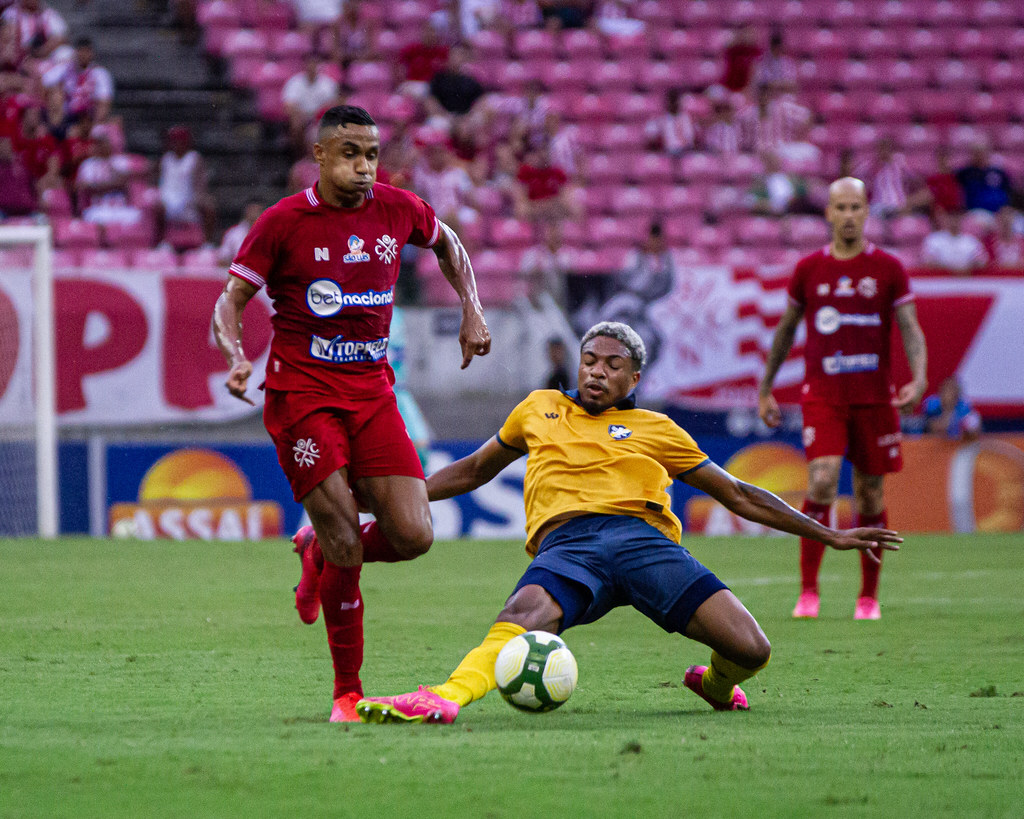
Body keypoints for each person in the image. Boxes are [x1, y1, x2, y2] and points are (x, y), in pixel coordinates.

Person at [353, 322, 901, 724]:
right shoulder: (538, 408)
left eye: (612, 364)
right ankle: (444, 695)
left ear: (633, 376)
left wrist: (828, 532)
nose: (596, 370)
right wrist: (395, 500)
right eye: (590, 359)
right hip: (569, 544)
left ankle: (713, 684)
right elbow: (474, 469)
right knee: (523, 615)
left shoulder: (657, 427)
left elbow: (736, 493)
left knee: (752, 650)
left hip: (644, 544)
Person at [210, 105, 491, 724]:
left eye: (371, 154)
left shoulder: (397, 208)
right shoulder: (283, 222)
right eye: (350, 153)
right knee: (345, 538)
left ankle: (319, 555)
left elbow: (450, 243)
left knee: (414, 535)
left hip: (372, 393)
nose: (364, 167)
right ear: (321, 156)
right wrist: (236, 357)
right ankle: (347, 692)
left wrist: (471, 307)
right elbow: (229, 301)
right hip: (302, 398)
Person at [757, 177, 928, 621]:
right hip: (825, 395)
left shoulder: (889, 269)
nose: (849, 215)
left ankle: (868, 596)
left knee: (870, 494)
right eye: (841, 207)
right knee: (821, 480)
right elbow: (785, 330)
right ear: (829, 213)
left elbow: (910, 327)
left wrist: (920, 377)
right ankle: (808, 591)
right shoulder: (809, 268)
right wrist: (766, 386)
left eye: (856, 207)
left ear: (867, 211)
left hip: (874, 398)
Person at [920, 207, 988, 274]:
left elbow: (982, 262)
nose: (953, 220)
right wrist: (953, 269)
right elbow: (928, 262)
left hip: (965, 281)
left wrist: (967, 268)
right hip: (940, 281)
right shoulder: (934, 239)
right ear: (945, 217)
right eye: (950, 216)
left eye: (956, 216)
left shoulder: (971, 241)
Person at [922, 377, 981, 442]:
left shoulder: (964, 408)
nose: (947, 394)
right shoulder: (932, 405)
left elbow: (973, 430)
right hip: (934, 443)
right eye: (945, 390)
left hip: (957, 443)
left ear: (957, 394)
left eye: (951, 391)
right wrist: (947, 409)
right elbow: (935, 428)